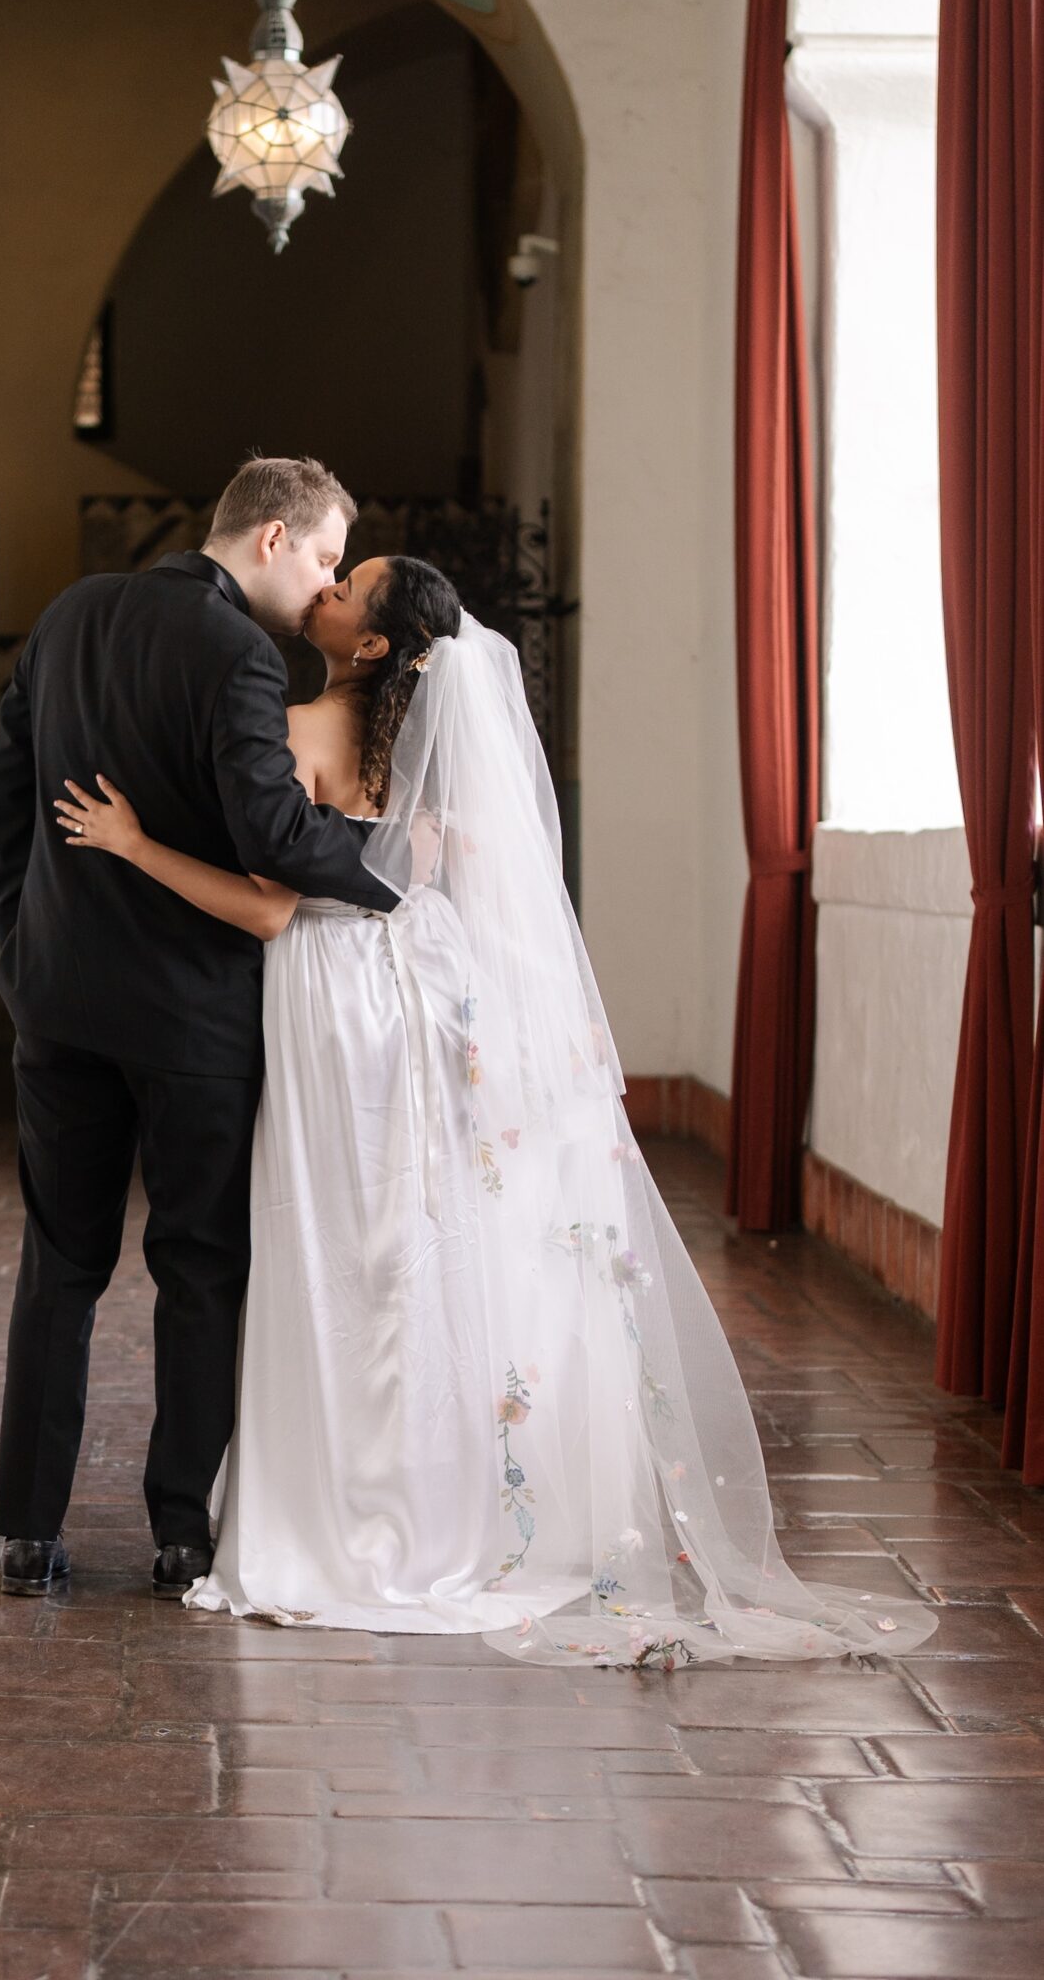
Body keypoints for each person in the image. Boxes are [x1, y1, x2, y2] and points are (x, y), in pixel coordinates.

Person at [59, 563, 938, 1666]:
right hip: (428, 990)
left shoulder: (297, 729)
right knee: (419, 1245)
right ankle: (441, 1502)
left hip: (337, 998)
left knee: (338, 1243)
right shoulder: (427, 749)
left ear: (375, 646)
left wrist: (136, 845)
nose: (327, 587)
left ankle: (355, 1513)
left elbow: (276, 908)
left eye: (350, 587)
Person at [0, 456, 397, 1600]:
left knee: (58, 1265)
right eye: (320, 556)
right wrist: (397, 868)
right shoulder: (236, 656)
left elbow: (4, 790)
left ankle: (24, 1530)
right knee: (201, 1268)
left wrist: (22, 945)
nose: (321, 586)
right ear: (269, 537)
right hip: (197, 1016)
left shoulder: (67, 616)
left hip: (58, 1000)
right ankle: (184, 1532)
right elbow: (271, 831)